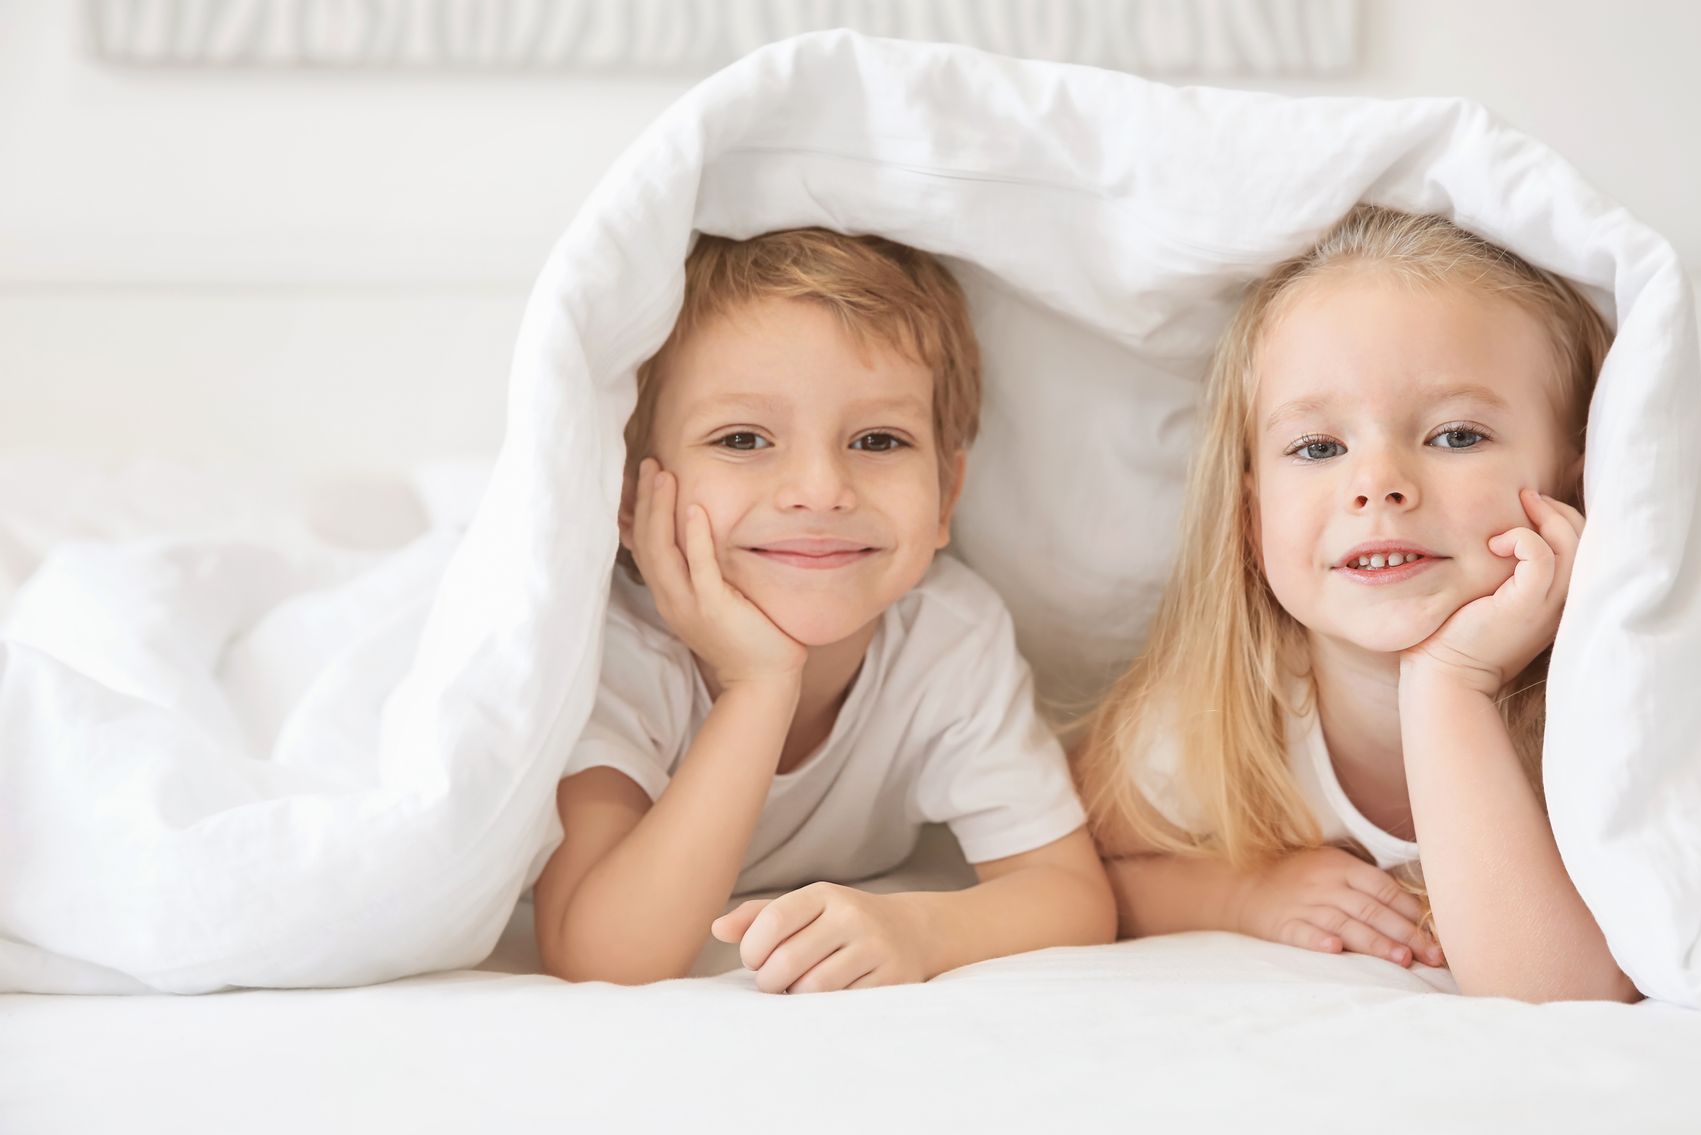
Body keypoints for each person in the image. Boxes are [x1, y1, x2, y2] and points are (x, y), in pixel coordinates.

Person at [1074, 204, 1638, 1003]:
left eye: (1456, 435)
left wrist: (1453, 682)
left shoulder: (1613, 702)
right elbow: (1073, 870)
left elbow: (1559, 992)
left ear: (1575, 485)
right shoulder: (1214, 720)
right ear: (1250, 518)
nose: (1378, 484)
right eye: (1318, 448)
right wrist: (1243, 895)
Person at [535, 228, 1115, 991]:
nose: (820, 487)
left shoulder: (947, 638)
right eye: (743, 438)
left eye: (878, 439)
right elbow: (601, 954)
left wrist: (922, 929)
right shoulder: (614, 650)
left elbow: (1073, 896)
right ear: (626, 495)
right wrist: (759, 686)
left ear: (946, 497)